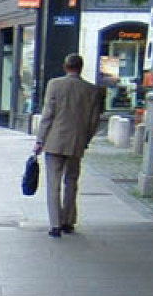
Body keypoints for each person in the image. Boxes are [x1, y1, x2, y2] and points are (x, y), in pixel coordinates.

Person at [34, 53, 105, 238]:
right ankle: (69, 221)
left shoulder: (55, 85)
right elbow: (93, 121)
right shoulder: (92, 90)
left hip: (54, 141)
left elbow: (48, 114)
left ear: (65, 67)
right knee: (72, 181)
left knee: (53, 183)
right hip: (77, 142)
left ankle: (55, 224)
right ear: (80, 67)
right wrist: (85, 139)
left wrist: (40, 140)